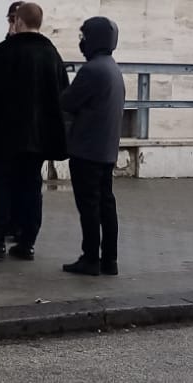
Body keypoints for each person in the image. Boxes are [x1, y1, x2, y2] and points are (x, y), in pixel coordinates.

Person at [0, 2, 68, 261]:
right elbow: (61, 95)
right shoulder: (51, 53)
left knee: (2, 185)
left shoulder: (5, 51)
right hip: (38, 137)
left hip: (6, 134)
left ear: (18, 22)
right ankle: (27, 241)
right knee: (31, 187)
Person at [61, 16, 125, 277]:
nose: (81, 42)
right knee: (106, 205)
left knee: (89, 206)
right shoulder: (112, 68)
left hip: (86, 149)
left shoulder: (92, 70)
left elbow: (68, 102)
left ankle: (90, 257)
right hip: (106, 149)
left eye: (84, 37)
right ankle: (109, 259)